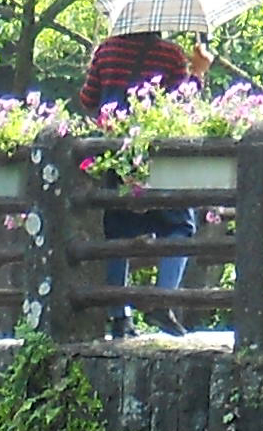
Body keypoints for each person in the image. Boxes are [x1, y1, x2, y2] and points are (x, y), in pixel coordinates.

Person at [78, 20, 204, 321]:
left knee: (117, 230)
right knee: (179, 225)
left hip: (115, 154)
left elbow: (87, 99)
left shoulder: (106, 51)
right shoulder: (170, 55)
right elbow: (182, 104)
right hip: (156, 154)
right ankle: (162, 300)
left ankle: (118, 315)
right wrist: (198, 71)